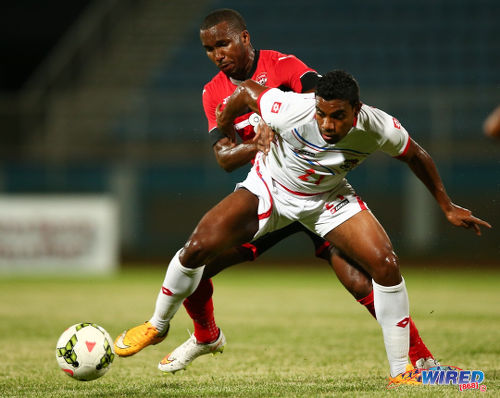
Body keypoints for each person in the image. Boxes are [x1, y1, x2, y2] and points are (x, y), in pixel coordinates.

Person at [115, 68, 491, 384]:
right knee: (197, 249)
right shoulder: (290, 109)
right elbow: (245, 91)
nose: (327, 124)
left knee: (385, 265)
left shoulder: (380, 127)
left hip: (326, 200)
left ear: (357, 110)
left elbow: (417, 155)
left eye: (338, 116)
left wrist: (446, 205)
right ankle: (159, 324)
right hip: (270, 190)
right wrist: (225, 128)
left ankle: (403, 371)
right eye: (322, 114)